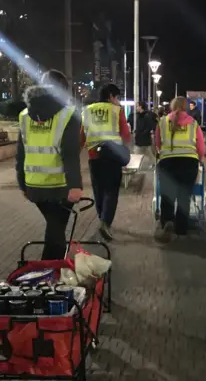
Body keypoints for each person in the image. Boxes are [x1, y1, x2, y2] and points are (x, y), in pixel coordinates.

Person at [15, 69, 83, 260]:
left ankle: (51, 274)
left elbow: (21, 153)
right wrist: (76, 185)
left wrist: (22, 183)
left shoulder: (24, 115)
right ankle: (45, 276)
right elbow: (70, 154)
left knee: (55, 230)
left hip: (34, 185)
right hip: (60, 187)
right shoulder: (69, 114)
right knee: (56, 234)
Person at [80, 83, 131, 241]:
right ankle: (105, 222)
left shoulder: (87, 110)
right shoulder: (117, 110)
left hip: (94, 157)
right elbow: (126, 135)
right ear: (111, 96)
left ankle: (102, 217)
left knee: (98, 190)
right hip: (112, 157)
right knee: (111, 191)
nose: (118, 101)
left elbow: (82, 135)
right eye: (117, 97)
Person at [154, 96, 205, 243]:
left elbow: (157, 144)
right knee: (184, 197)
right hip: (189, 163)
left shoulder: (162, 122)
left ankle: (167, 223)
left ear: (171, 106)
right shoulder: (193, 124)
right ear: (186, 107)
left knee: (167, 196)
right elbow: (201, 148)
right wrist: (199, 161)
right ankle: (181, 229)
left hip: (168, 162)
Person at [130, 101, 158, 168]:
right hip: (142, 138)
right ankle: (155, 163)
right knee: (148, 153)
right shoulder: (140, 115)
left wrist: (142, 133)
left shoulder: (146, 115)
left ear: (141, 107)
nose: (136, 107)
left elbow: (149, 126)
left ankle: (135, 167)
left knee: (138, 153)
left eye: (137, 106)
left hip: (142, 138)